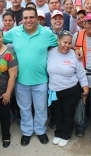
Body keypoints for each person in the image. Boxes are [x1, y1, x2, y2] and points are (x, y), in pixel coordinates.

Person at [4, 7, 58, 146]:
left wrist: (75, 50)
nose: (28, 20)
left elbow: (60, 45)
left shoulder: (46, 33)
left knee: (41, 108)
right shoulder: (14, 32)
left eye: (31, 17)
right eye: (25, 18)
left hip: (41, 80)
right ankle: (27, 132)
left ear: (37, 18)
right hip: (21, 80)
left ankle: (40, 130)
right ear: (22, 19)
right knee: (25, 108)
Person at [47, 31, 89, 147]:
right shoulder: (50, 52)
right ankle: (58, 133)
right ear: (58, 41)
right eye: (65, 42)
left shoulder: (74, 55)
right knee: (57, 113)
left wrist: (85, 90)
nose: (67, 45)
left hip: (71, 90)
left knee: (68, 114)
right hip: (54, 91)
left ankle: (66, 135)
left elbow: (81, 74)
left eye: (70, 43)